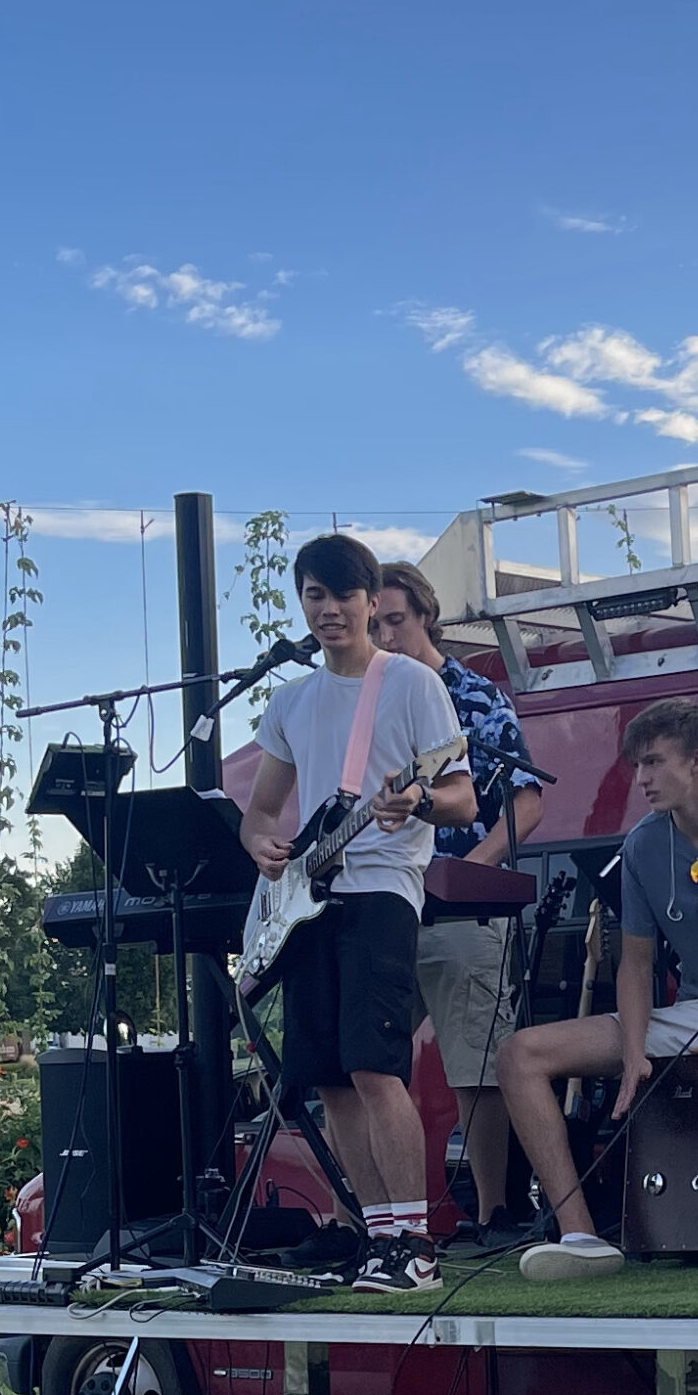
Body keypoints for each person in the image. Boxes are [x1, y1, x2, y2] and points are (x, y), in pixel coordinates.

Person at [498, 698, 698, 1288]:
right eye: (636, 765)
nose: (640, 779)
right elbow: (635, 962)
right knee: (520, 1053)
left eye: (652, 763)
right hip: (695, 1010)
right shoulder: (644, 843)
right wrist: (632, 1051)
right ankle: (581, 1236)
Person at [239, 533, 477, 1292]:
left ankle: (413, 1241)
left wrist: (415, 799)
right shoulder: (291, 701)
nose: (328, 610)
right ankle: (372, 1235)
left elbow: (462, 798)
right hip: (309, 902)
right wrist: (261, 845)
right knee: (329, 1078)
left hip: (380, 890)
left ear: (372, 603)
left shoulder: (408, 683)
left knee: (376, 1067)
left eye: (343, 595)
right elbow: (262, 812)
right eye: (315, 595)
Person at [369, 560, 548, 1248]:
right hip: (384, 902)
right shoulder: (369, 703)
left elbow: (527, 801)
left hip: (457, 903)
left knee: (476, 1057)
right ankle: (382, 1219)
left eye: (396, 619)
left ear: (426, 615)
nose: (386, 634)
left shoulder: (474, 696)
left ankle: (494, 1211)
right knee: (366, 1056)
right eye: (375, 623)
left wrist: (473, 868)